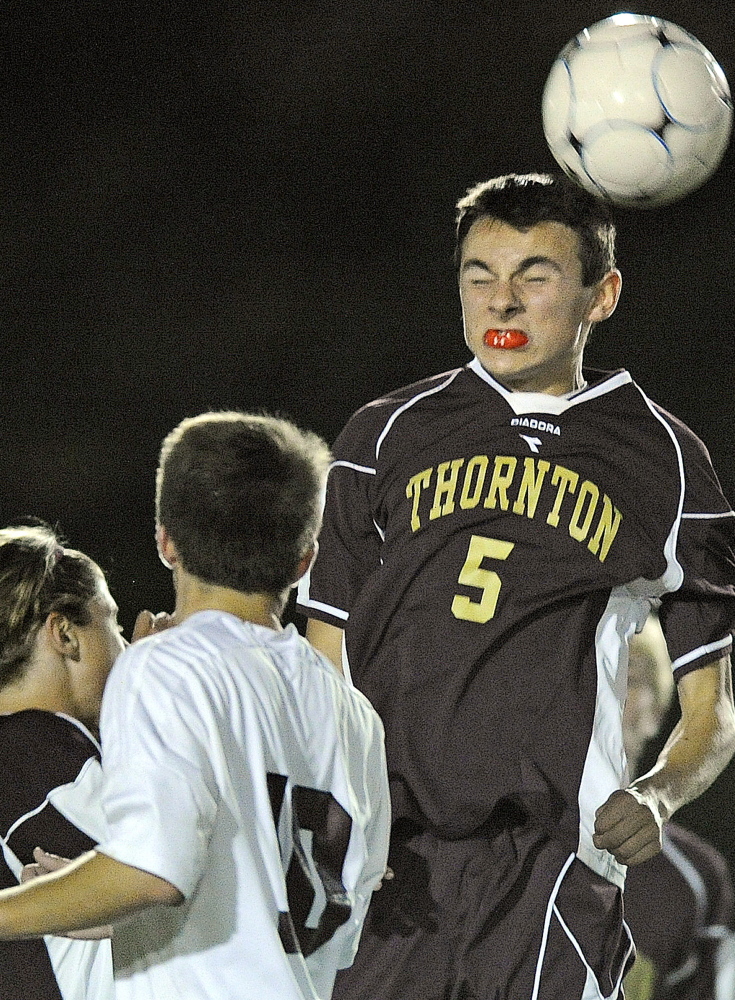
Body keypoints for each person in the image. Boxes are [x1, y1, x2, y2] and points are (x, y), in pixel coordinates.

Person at [296, 172, 735, 999]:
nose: (500, 303)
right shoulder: (381, 434)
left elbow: (712, 711)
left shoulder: (665, 461)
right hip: (391, 864)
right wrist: (337, 814)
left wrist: (658, 794)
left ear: (600, 295)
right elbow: (326, 657)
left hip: (551, 859)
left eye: (533, 277)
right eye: (478, 276)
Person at [0, 412, 391, 1000]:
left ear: (165, 541)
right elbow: (347, 904)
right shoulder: (355, 715)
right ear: (305, 560)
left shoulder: (162, 667)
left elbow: (155, 870)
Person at [0, 523, 123, 1000]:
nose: (126, 645)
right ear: (66, 634)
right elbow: (171, 879)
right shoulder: (36, 750)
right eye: (111, 622)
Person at [623, 613, 735, 1000]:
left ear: (659, 713)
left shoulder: (695, 882)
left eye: (633, 673)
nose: (615, 686)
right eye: (606, 668)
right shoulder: (509, 837)